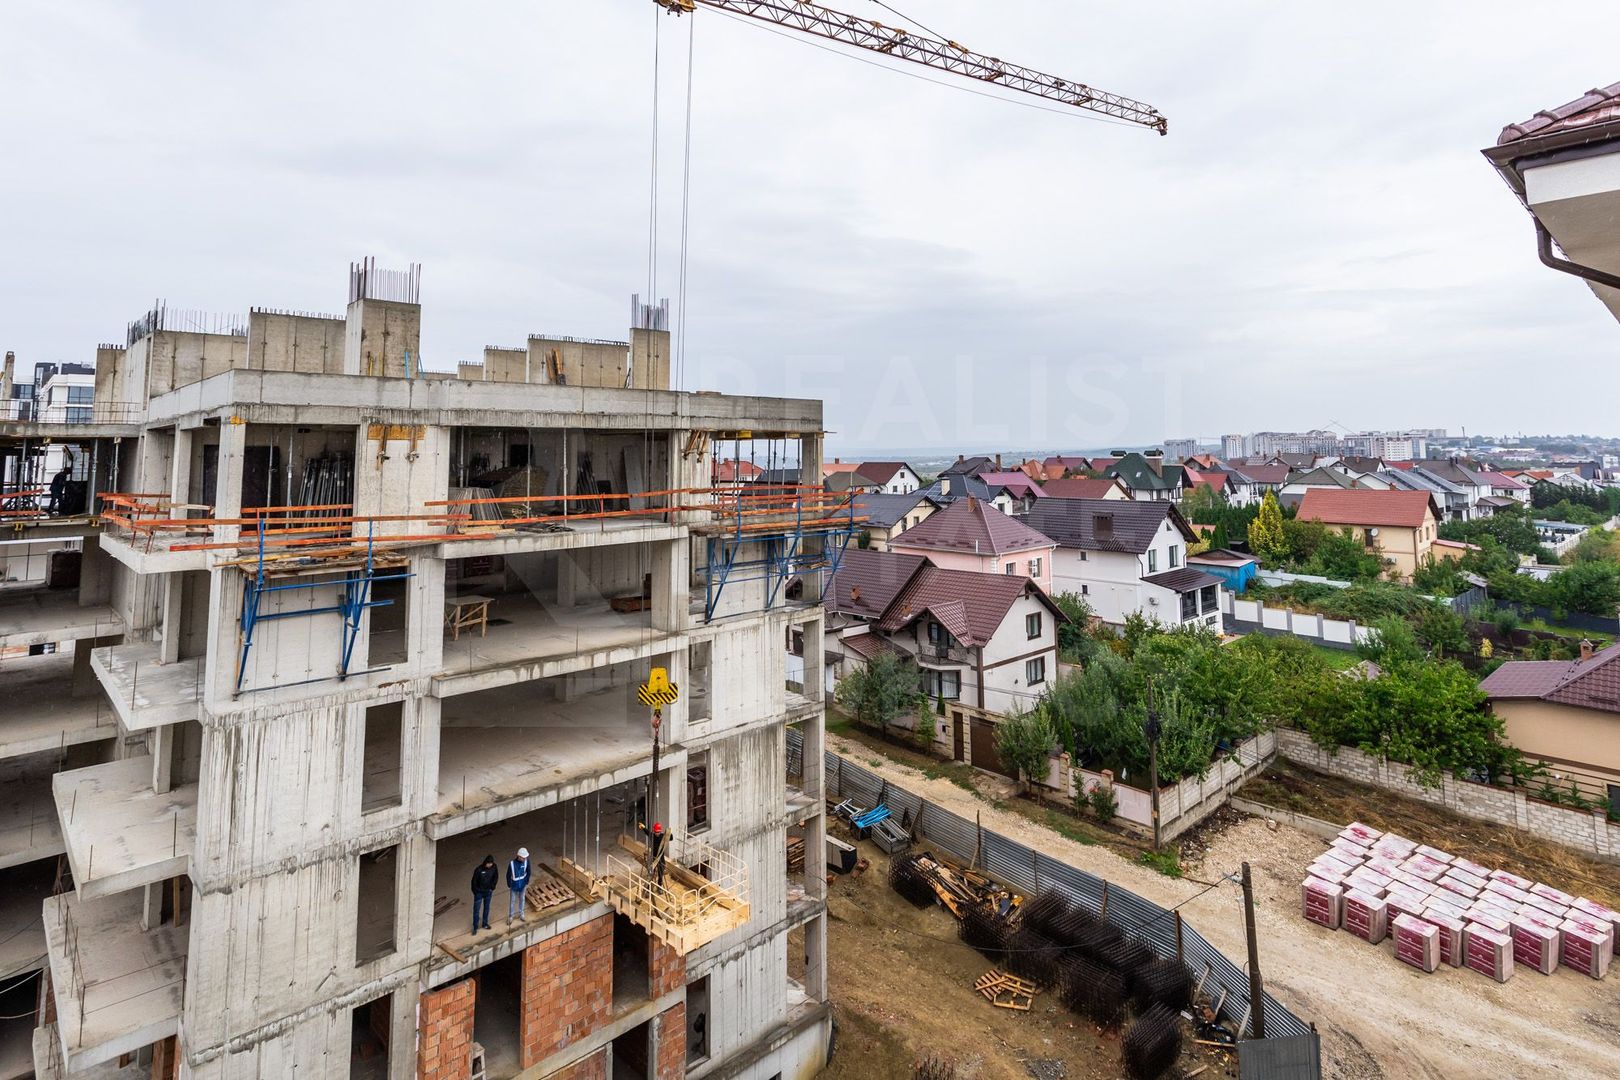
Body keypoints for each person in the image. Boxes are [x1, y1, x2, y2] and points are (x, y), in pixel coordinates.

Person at [470, 854, 497, 933]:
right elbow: (474, 881)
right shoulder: (479, 870)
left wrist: (492, 887)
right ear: (485, 862)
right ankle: (475, 927)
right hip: (479, 892)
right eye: (488, 863)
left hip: (488, 892)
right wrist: (476, 891)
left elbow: (495, 877)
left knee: (486, 908)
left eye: (491, 863)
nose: (489, 865)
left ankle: (485, 923)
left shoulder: (494, 867)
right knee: (476, 910)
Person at [507, 847, 531, 924]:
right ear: (519, 856)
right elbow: (508, 875)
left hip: (522, 885)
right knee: (512, 901)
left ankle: (521, 914)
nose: (525, 859)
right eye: (523, 858)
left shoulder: (527, 862)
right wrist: (509, 884)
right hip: (514, 885)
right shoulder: (512, 864)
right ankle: (511, 916)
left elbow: (529, 872)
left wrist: (526, 881)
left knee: (522, 899)